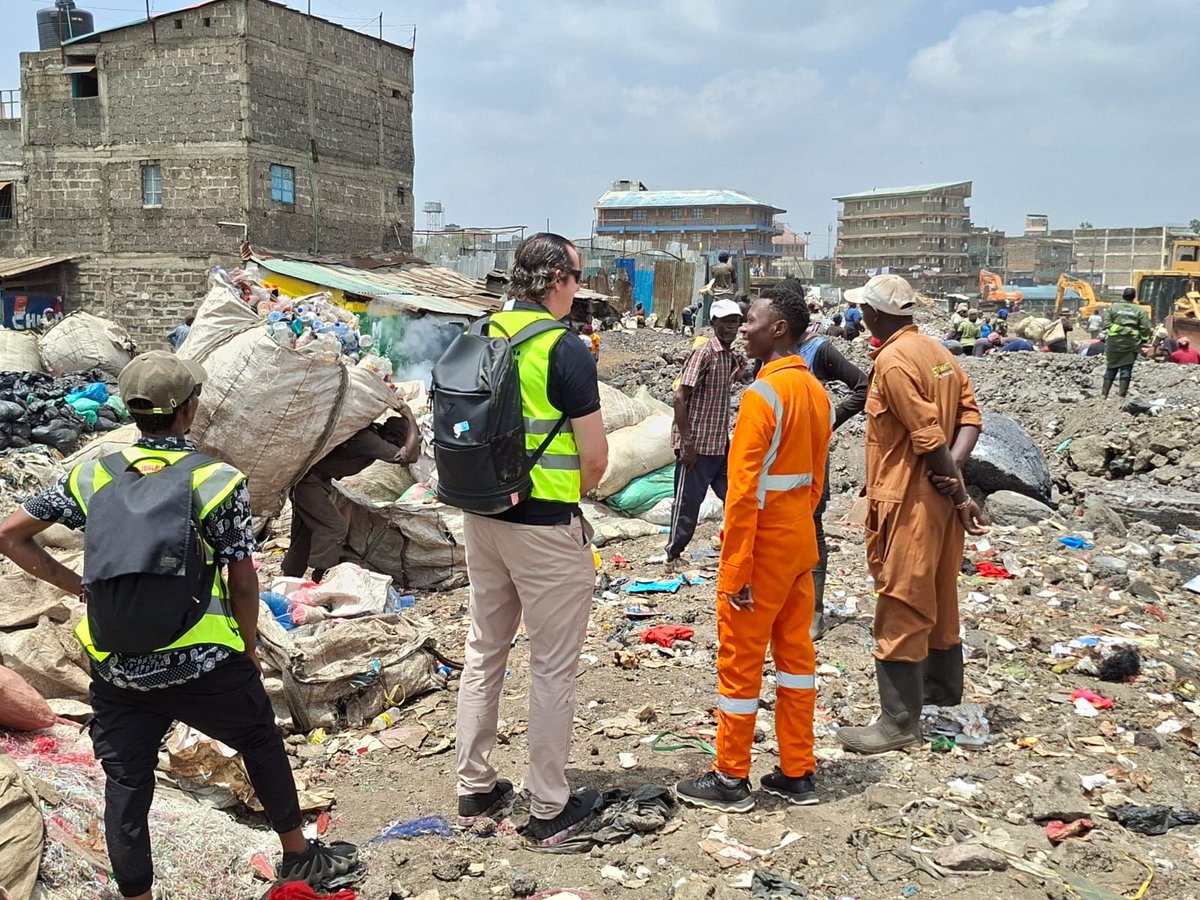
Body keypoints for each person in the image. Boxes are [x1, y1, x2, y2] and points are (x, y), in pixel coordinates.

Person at [0, 351, 359, 900]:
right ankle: (298, 856)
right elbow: (243, 580)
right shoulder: (217, 480)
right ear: (190, 409)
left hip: (118, 666)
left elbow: (10, 535)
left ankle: (138, 895)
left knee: (126, 785)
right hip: (201, 660)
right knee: (259, 738)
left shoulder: (90, 473)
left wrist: (77, 588)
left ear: (131, 409)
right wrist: (246, 645)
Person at [453, 233, 609, 846]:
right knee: (551, 665)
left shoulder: (480, 334)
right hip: (544, 526)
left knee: (484, 649)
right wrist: (575, 492)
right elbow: (594, 457)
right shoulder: (564, 350)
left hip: (481, 517)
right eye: (576, 275)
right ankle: (549, 803)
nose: (578, 287)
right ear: (556, 281)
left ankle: (475, 785)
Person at [674, 284, 831, 812]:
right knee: (795, 658)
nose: (744, 328)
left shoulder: (763, 396)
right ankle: (797, 771)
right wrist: (797, 529)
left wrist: (735, 568)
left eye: (753, 321)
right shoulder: (814, 393)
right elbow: (816, 482)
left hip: (760, 547)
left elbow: (741, 494)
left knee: (741, 662)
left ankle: (730, 778)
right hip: (798, 544)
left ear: (779, 329)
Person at [833, 274, 987, 755]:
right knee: (938, 591)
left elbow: (925, 434)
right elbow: (969, 416)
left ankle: (899, 722)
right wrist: (955, 474)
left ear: (876, 315)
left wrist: (958, 491)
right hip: (936, 494)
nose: (860, 317)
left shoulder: (895, 360)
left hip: (909, 498)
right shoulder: (937, 352)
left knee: (902, 597)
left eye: (862, 311)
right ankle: (940, 689)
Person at [788, 281, 867, 640]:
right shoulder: (773, 353)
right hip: (778, 459)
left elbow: (863, 387)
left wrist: (830, 418)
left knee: (812, 529)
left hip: (809, 458)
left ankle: (814, 611)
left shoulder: (818, 350)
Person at [280, 410, 420, 582]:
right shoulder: (366, 439)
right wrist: (410, 417)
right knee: (334, 528)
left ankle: (289, 577)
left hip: (314, 481)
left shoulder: (368, 435)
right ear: (391, 438)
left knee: (306, 531)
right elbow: (409, 457)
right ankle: (321, 577)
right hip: (307, 483)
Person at [666, 298, 746, 565]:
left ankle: (738, 548)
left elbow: (727, 382)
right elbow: (680, 397)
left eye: (735, 322)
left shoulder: (728, 357)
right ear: (713, 324)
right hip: (697, 446)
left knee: (735, 497)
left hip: (719, 445)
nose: (731, 328)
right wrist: (686, 442)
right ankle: (673, 553)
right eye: (726, 322)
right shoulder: (705, 353)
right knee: (687, 504)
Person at [1102, 287, 1152, 398]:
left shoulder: (1113, 308)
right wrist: (1143, 339)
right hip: (1131, 343)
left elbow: (1106, 323)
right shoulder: (1140, 310)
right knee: (1126, 368)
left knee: (1111, 367)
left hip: (1114, 343)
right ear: (1134, 297)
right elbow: (1146, 328)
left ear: (1123, 296)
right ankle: (1121, 396)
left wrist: (1121, 330)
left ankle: (1104, 395)